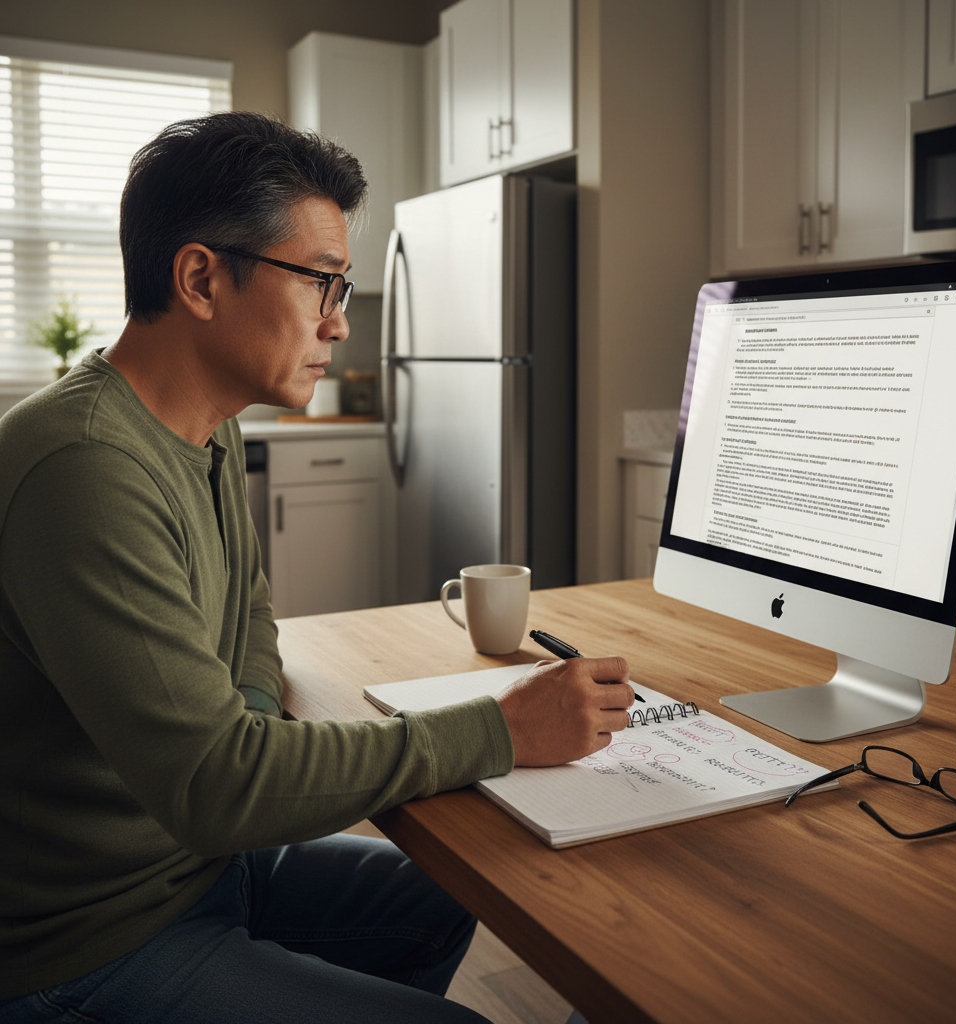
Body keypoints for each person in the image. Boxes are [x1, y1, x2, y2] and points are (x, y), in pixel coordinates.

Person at [0, 112, 633, 1023]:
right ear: (201, 278)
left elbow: (253, 627)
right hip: (89, 942)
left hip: (198, 866)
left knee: (474, 890)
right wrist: (500, 728)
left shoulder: (209, 428)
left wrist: (249, 737)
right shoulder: (82, 466)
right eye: (323, 284)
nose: (339, 324)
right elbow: (218, 786)